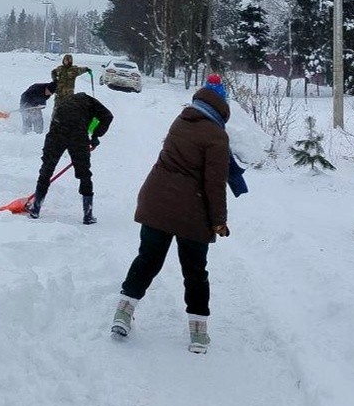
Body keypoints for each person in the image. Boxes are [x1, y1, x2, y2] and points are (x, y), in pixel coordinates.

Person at [111, 74, 231, 354]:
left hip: (157, 201)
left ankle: (123, 313)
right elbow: (214, 184)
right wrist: (219, 221)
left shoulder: (181, 120)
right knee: (195, 271)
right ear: (222, 104)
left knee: (148, 259)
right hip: (193, 211)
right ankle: (198, 334)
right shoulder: (217, 135)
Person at [27, 91, 112, 224]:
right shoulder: (92, 104)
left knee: (47, 169)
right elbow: (108, 116)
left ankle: (35, 209)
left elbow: (54, 122)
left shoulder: (66, 102)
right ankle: (88, 215)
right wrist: (95, 136)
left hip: (57, 130)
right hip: (78, 134)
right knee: (84, 174)